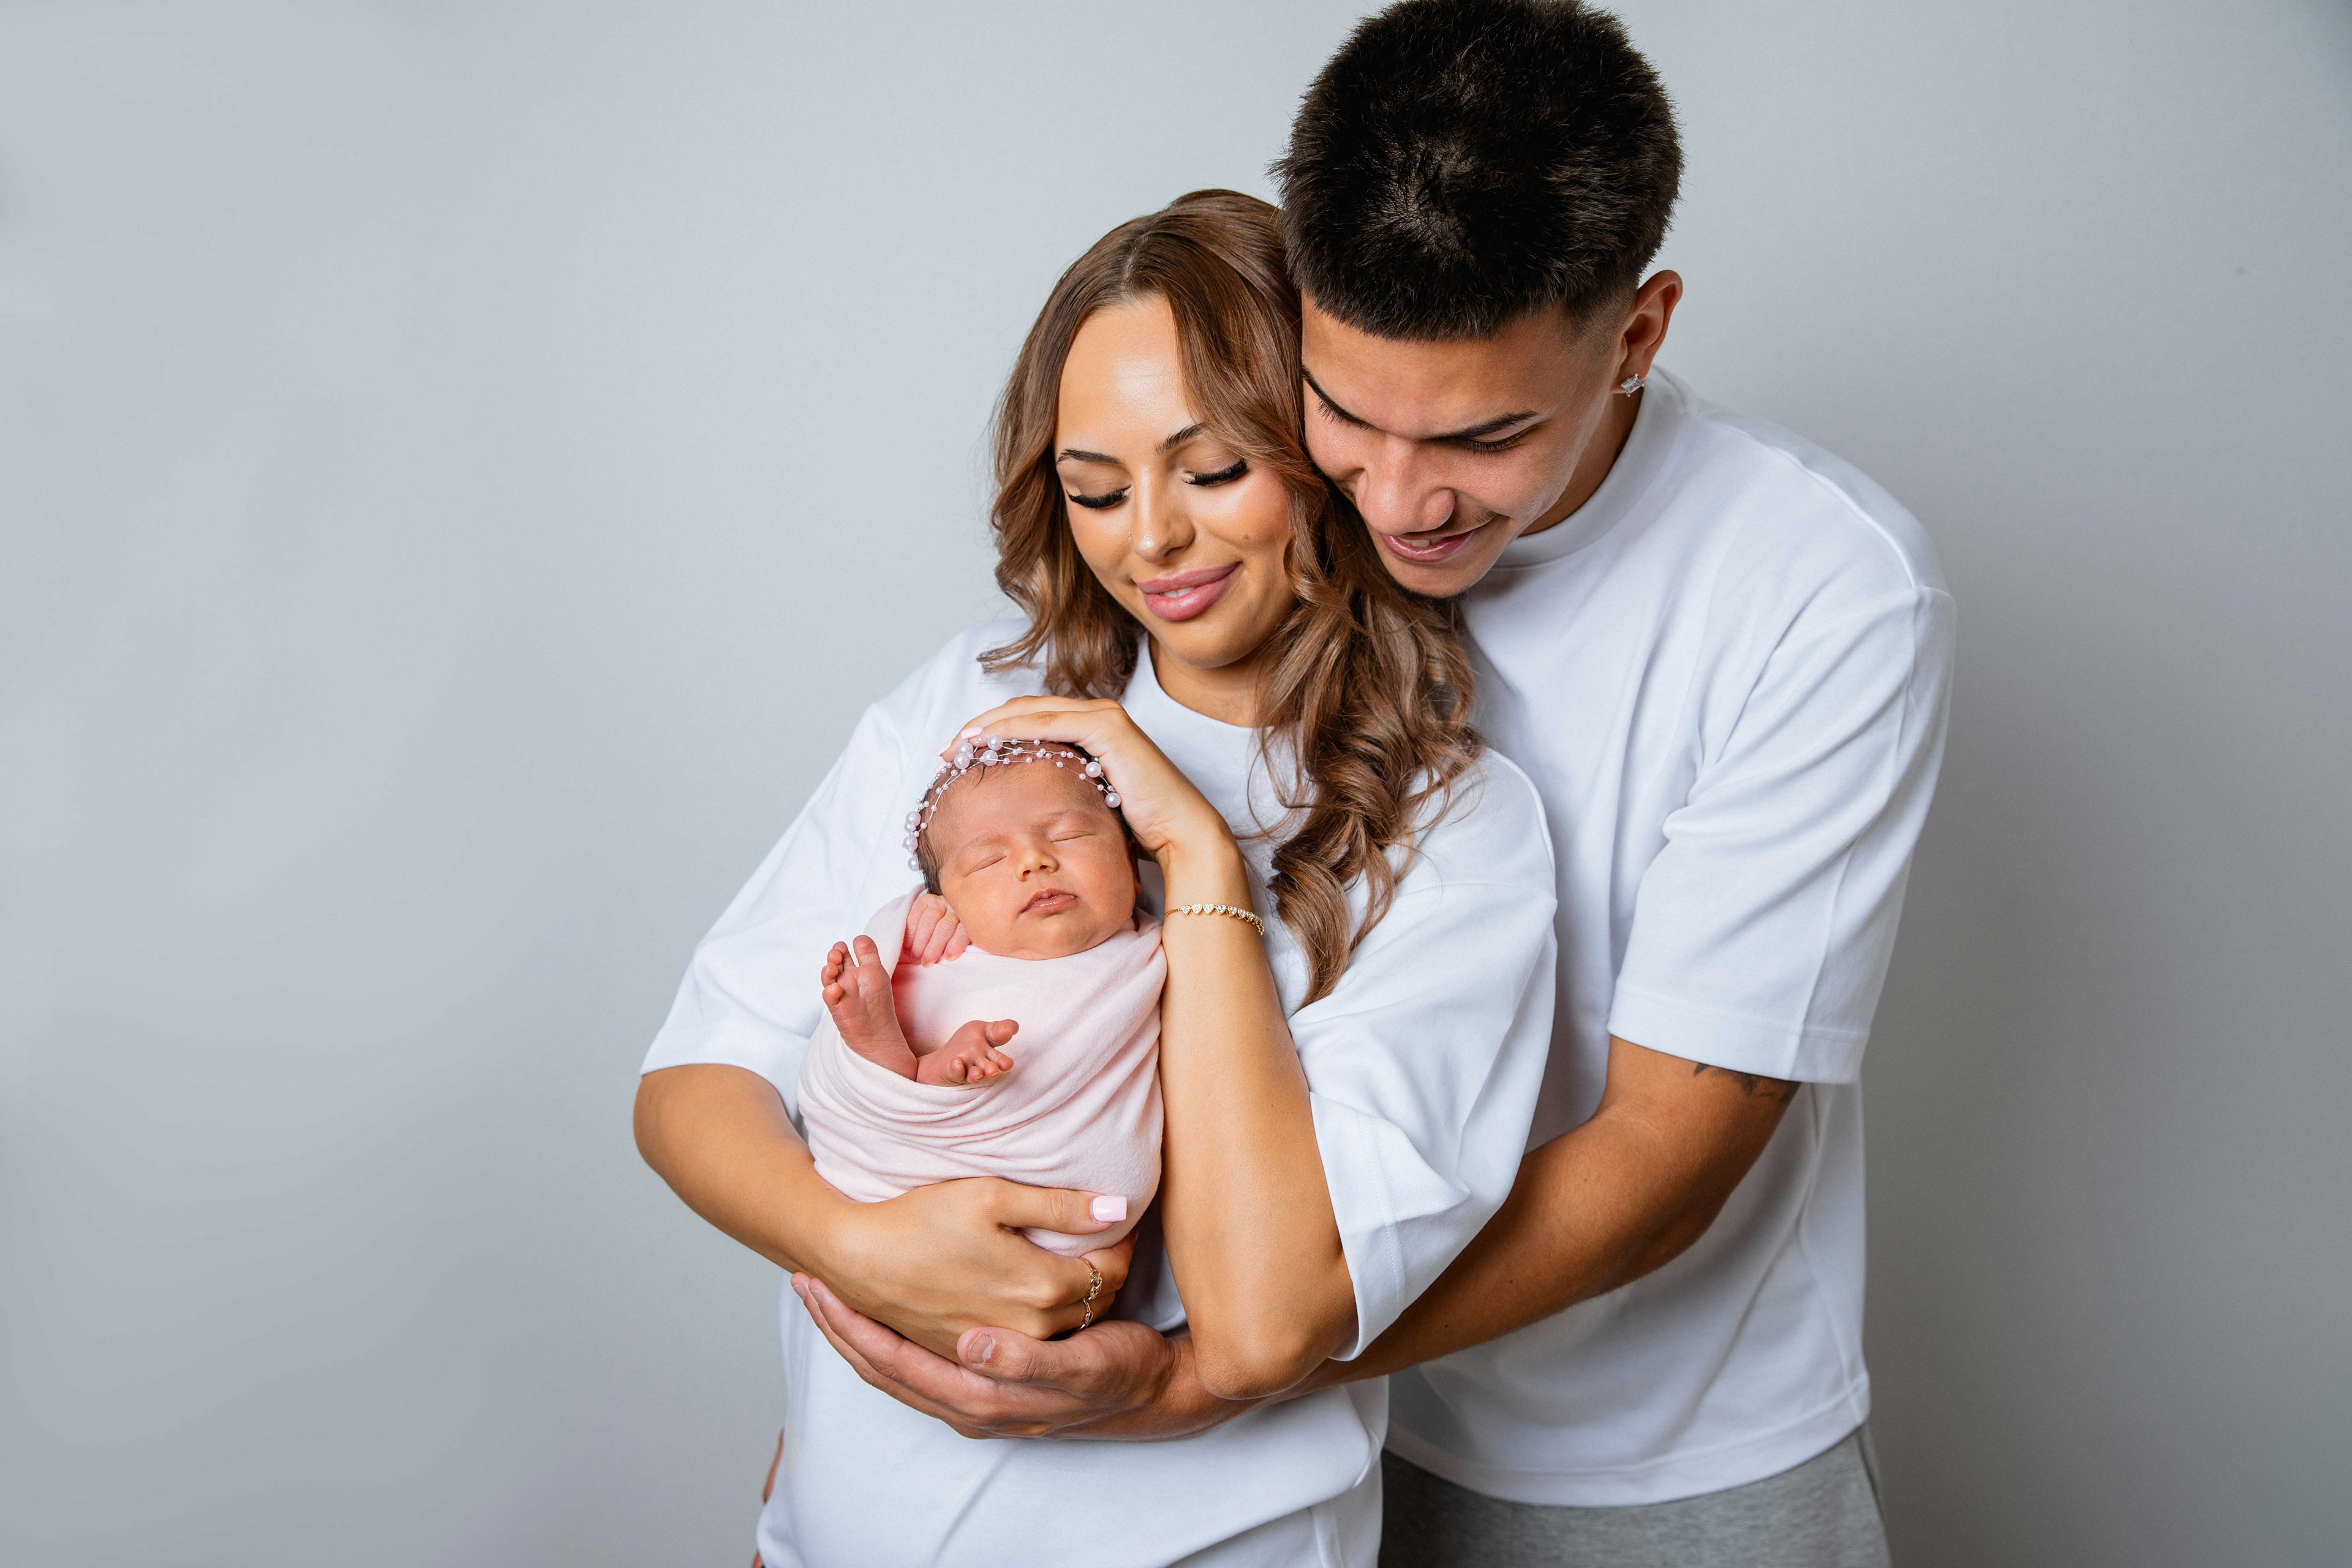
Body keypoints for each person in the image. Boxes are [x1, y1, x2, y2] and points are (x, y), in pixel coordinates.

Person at [804, 5, 1954, 1565]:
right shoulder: (1253, 542)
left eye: (1485, 438)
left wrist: (1223, 1364)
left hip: (1630, 1444)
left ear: (1636, 330)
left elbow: (1668, 1148)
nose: (1405, 502)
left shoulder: (1820, 587)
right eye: (1344, 416)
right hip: (1272, 1468)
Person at [633, 190, 1559, 1566]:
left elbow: (1256, 1322)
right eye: (1098, 487)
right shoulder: (974, 708)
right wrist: (853, 1240)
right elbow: (691, 1089)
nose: (1154, 541)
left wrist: (1190, 853)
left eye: (1212, 467)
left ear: (1318, 445)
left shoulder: (1453, 826)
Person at [796, 738, 1163, 1259]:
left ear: (1133, 862)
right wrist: (918, 915)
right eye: (989, 861)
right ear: (946, 899)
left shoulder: (1152, 951)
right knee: (896, 1006)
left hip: (1064, 1192)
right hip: (894, 1184)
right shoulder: (939, 948)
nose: (1034, 861)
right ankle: (899, 1063)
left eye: (1070, 835)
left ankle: (932, 1073)